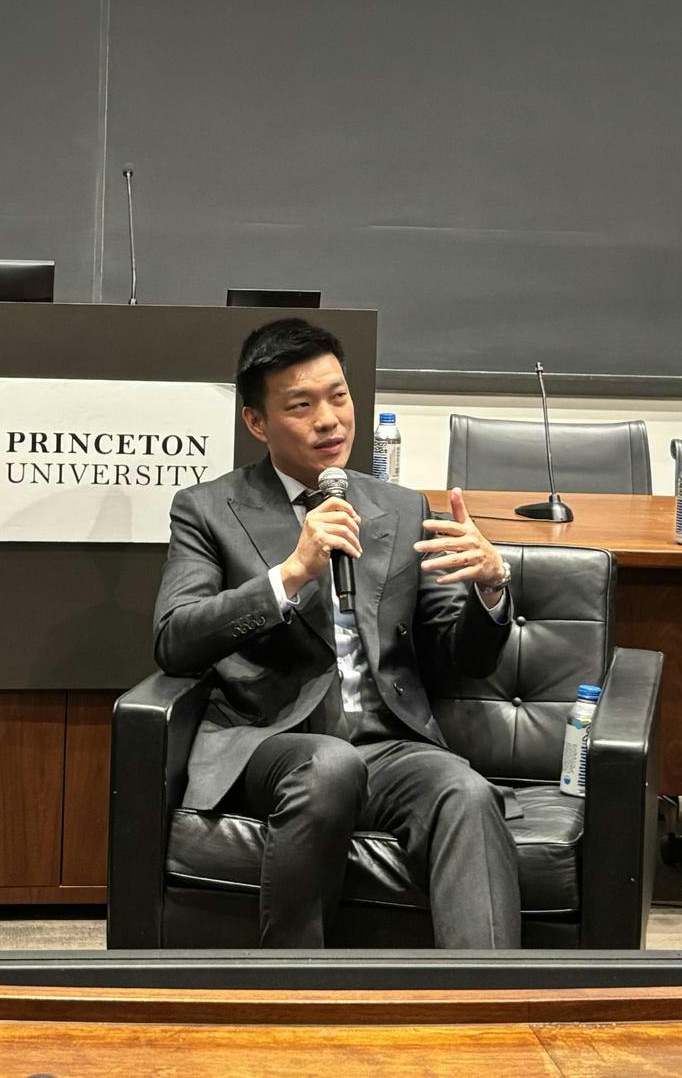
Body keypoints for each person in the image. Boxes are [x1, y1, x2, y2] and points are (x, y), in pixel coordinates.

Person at [153, 318, 522, 948]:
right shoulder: (208, 509)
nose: (329, 420)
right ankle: (293, 990)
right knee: (329, 765)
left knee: (465, 790)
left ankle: (485, 997)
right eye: (302, 405)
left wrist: (491, 587)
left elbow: (461, 657)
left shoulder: (401, 507)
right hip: (274, 742)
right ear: (257, 422)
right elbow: (174, 638)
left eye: (339, 397)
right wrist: (290, 574)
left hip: (388, 746)